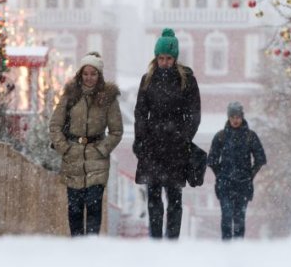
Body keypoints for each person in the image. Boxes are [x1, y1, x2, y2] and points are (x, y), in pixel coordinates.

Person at [133, 28, 201, 239]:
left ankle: (171, 241)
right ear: (156, 58)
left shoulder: (187, 80)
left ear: (175, 58)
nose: (164, 62)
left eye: (168, 58)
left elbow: (194, 113)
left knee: (174, 197)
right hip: (152, 145)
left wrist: (184, 137)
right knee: (153, 196)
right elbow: (140, 112)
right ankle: (155, 239)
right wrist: (140, 139)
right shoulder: (147, 79)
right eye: (161, 58)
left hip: (176, 146)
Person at [49, 51, 123, 237]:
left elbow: (116, 131)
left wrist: (102, 149)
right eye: (86, 73)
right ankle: (76, 251)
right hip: (72, 159)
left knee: (93, 207)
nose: (89, 77)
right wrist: (64, 148)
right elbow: (55, 125)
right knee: (74, 210)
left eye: (93, 73)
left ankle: (91, 249)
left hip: (97, 161)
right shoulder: (70, 96)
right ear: (80, 74)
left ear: (99, 75)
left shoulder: (108, 98)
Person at [207, 101, 266, 240]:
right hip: (225, 185)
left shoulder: (250, 136)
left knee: (239, 218)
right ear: (228, 117)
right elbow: (212, 160)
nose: (235, 120)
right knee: (226, 217)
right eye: (232, 116)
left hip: (243, 185)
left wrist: (250, 175)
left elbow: (260, 159)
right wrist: (220, 175)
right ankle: (227, 247)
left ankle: (238, 248)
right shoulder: (220, 136)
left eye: (238, 116)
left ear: (242, 117)